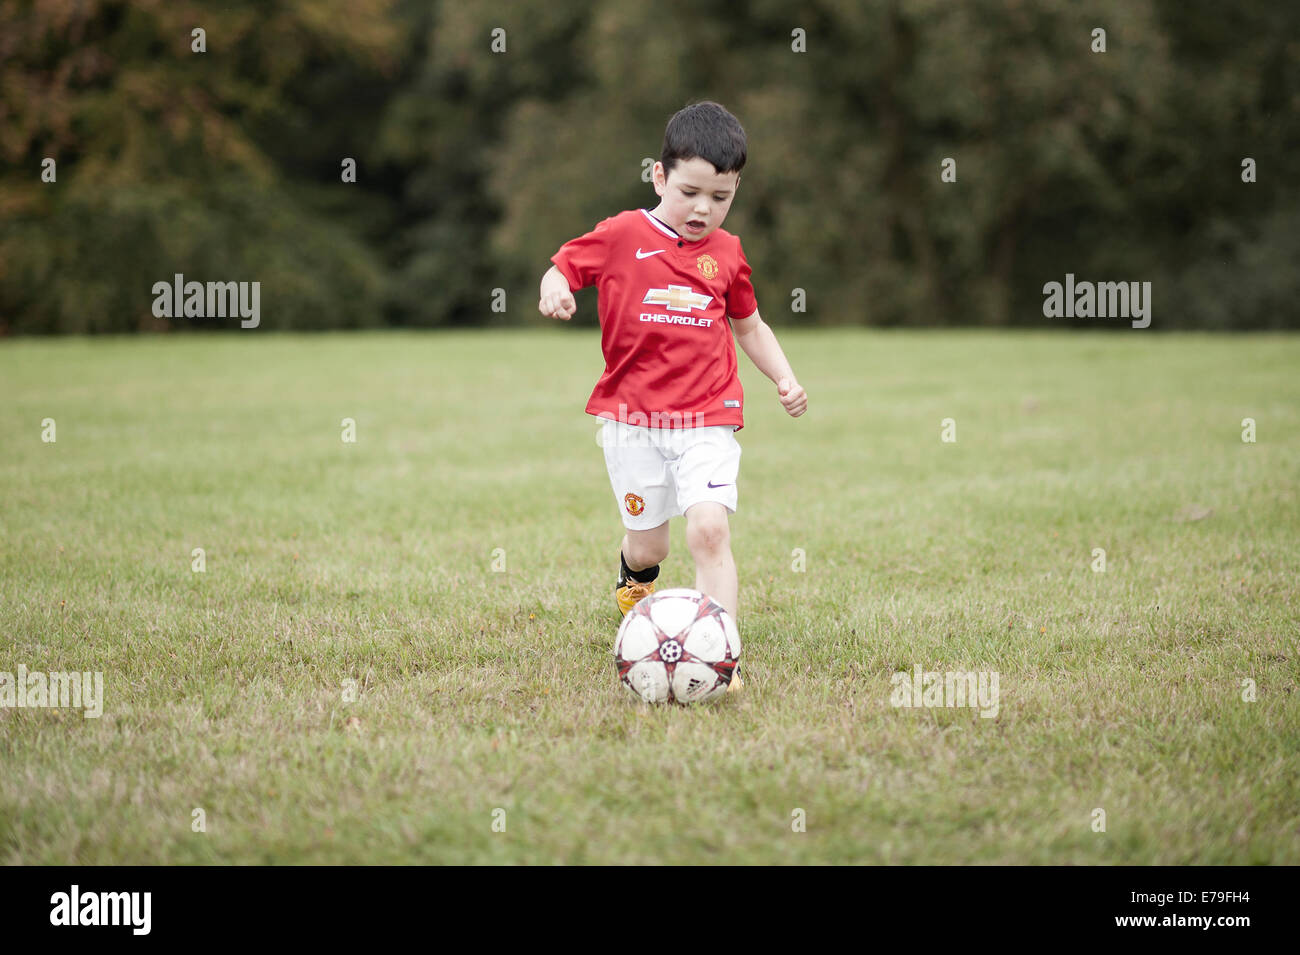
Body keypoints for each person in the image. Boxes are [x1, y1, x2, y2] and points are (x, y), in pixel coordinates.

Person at [538, 101, 807, 691]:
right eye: (690, 192)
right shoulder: (621, 235)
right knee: (647, 541)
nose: (703, 209)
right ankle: (635, 581)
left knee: (708, 529)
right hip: (632, 419)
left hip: (707, 415)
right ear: (659, 177)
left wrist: (783, 377)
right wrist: (555, 290)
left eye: (721, 196)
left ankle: (722, 657)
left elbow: (750, 327)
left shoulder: (728, 254)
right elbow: (561, 267)